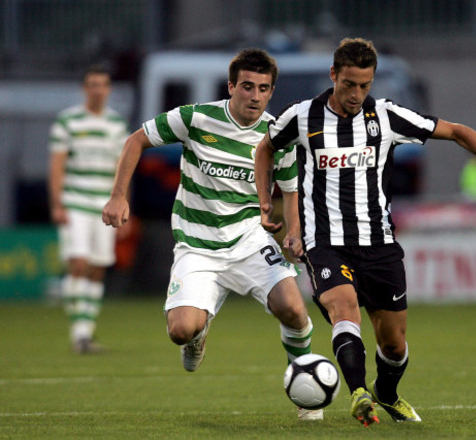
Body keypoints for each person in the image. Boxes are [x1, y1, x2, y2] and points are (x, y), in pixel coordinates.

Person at [254, 38, 476, 427]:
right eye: (349, 84)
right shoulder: (303, 116)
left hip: (379, 243)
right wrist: (264, 202)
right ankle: (357, 393)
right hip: (324, 242)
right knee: (344, 309)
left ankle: (385, 393)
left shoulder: (386, 118)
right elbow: (265, 149)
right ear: (333, 75)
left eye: (365, 85)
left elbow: (455, 131)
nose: (356, 94)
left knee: (393, 342)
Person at [102, 49, 322, 421]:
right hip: (198, 246)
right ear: (231, 86)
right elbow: (135, 140)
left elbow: (291, 190)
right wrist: (119, 195)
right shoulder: (196, 118)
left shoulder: (277, 135)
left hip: (250, 240)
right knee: (181, 330)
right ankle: (196, 335)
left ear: (271, 92)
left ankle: (306, 392)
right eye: (247, 87)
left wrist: (295, 233)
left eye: (263, 89)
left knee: (294, 309)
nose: (254, 96)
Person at [49, 65, 129, 354]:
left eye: (103, 84)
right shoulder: (68, 121)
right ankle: (79, 333)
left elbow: (122, 169)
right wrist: (57, 203)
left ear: (108, 89)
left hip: (104, 205)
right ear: (85, 88)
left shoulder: (116, 125)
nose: (98, 89)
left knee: (97, 268)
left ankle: (86, 331)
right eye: (93, 84)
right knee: (79, 263)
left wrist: (124, 205)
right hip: (76, 202)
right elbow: (56, 165)